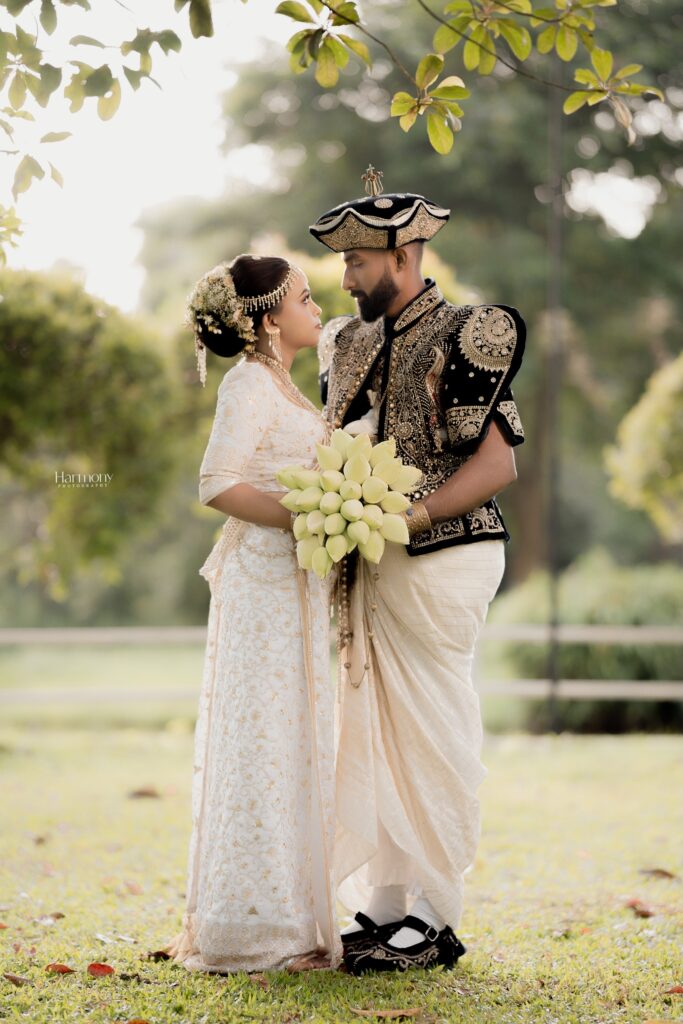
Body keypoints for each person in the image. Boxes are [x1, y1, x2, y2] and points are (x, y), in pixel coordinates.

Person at [310, 170, 526, 974]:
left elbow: (496, 464)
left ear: (404, 254)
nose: (346, 278)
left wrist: (413, 517)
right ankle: (384, 907)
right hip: (370, 560)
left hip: (448, 553)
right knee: (372, 730)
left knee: (430, 728)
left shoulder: (470, 332)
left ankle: (435, 915)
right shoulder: (346, 340)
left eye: (358, 262)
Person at [163, 254, 343, 973]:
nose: (317, 309)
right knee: (262, 738)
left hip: (295, 586)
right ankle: (251, 924)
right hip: (261, 585)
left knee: (295, 735)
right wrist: (303, 524)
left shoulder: (283, 386)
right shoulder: (246, 384)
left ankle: (295, 910)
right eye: (305, 298)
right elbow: (216, 483)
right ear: (270, 318)